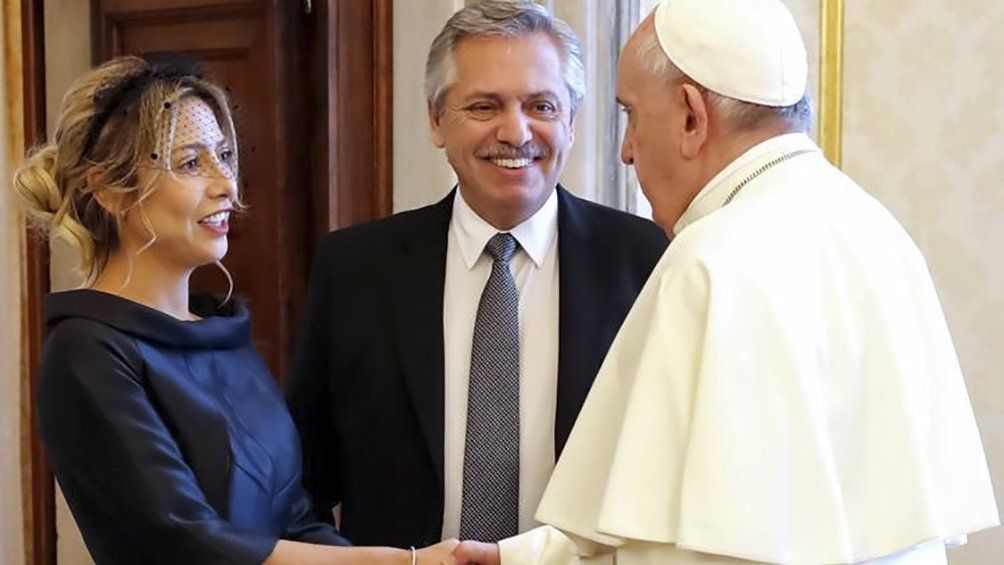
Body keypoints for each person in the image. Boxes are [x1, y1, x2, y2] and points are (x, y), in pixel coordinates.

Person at [454, 0, 1000, 563]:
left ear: (691, 117)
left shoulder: (711, 261)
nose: (626, 150)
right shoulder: (878, 232)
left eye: (632, 115)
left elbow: (690, 548)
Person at [15, 56, 456, 565]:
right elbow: (187, 541)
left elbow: (295, 520)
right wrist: (403, 562)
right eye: (190, 163)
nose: (227, 184)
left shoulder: (224, 335)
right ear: (110, 189)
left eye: (225, 156)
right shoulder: (86, 352)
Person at [286, 0, 668, 550]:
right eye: (485, 106)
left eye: (541, 105)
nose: (516, 132)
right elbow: (303, 481)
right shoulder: (355, 269)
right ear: (437, 121)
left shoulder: (645, 262)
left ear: (572, 121)